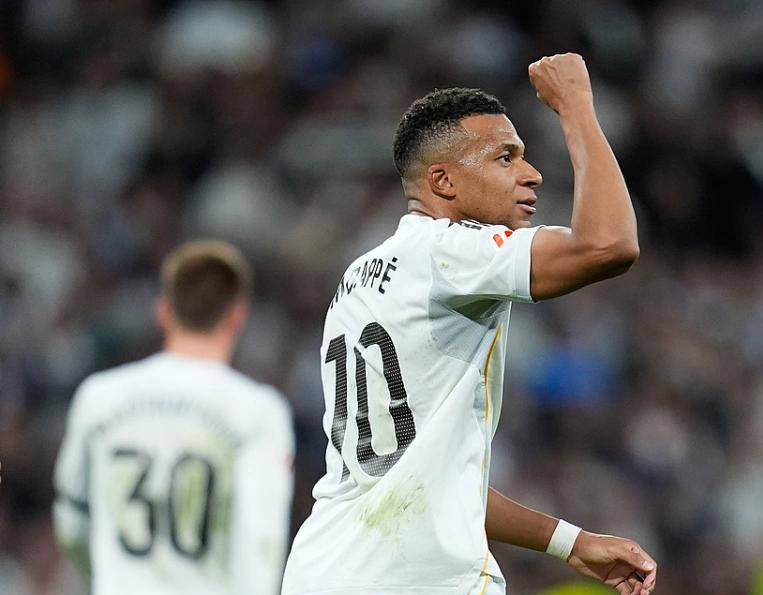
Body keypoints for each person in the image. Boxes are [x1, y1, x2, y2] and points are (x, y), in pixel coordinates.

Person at [282, 53, 656, 595]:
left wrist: (571, 542)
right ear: (443, 181)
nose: (531, 174)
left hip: (323, 569)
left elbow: (431, 483)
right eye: (506, 157)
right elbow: (609, 245)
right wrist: (575, 105)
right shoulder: (448, 251)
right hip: (419, 579)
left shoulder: (359, 277)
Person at [53, 240, 295, 595]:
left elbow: (72, 524)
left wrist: (106, 578)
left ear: (164, 311)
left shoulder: (98, 397)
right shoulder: (258, 411)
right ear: (237, 316)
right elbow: (261, 542)